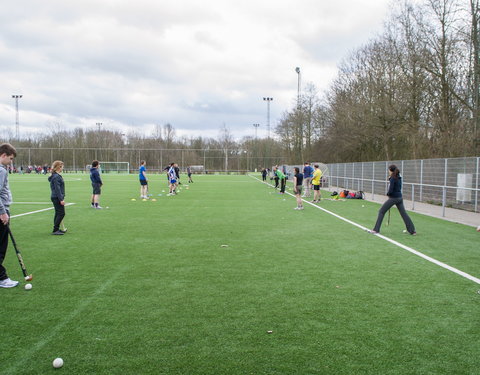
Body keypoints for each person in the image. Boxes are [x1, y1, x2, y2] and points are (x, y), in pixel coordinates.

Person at [370, 165, 416, 235]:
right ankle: (412, 231)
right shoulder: (399, 177)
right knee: (404, 214)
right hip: (400, 198)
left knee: (381, 211)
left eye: (388, 170)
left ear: (391, 170)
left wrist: (388, 194)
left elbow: (390, 190)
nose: (388, 171)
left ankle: (376, 230)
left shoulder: (392, 178)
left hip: (394, 198)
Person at [0, 143, 19, 288]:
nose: (11, 162)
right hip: (2, 212)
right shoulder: (1, 171)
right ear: (3, 155)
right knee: (1, 246)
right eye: (10, 158)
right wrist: (3, 212)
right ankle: (2, 278)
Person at [48, 161, 66, 235]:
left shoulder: (56, 176)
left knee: (58, 213)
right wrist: (61, 199)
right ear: (59, 167)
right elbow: (57, 189)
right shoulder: (56, 177)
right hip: (57, 197)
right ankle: (55, 230)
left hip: (56, 197)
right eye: (62, 166)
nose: (63, 168)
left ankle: (56, 228)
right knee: (61, 213)